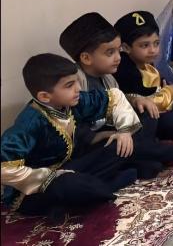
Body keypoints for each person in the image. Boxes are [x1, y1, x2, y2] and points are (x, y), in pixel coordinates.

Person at [59, 13, 173, 176]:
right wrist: (109, 134)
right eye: (110, 53)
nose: (118, 58)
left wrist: (135, 99)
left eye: (118, 51)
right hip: (93, 143)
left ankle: (143, 157)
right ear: (86, 58)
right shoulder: (75, 82)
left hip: (115, 132)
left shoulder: (107, 77)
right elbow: (76, 130)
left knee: (146, 113)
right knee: (121, 146)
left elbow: (119, 103)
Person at [1, 54, 140, 216]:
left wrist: (124, 131)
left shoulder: (71, 101)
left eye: (77, 82)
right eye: (69, 85)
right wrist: (51, 176)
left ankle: (88, 192)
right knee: (69, 184)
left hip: (71, 168)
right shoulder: (29, 123)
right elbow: (4, 168)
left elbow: (114, 97)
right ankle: (109, 186)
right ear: (44, 96)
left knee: (118, 144)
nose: (78, 88)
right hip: (37, 189)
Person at [114, 10, 173, 141]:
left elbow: (161, 86)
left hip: (161, 108)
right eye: (145, 45)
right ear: (126, 48)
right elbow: (147, 101)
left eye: (156, 43)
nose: (153, 50)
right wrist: (169, 91)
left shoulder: (146, 64)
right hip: (144, 117)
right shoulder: (125, 70)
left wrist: (167, 91)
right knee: (170, 124)